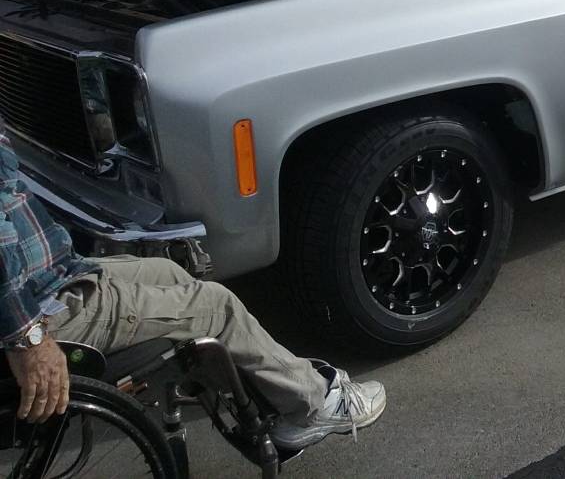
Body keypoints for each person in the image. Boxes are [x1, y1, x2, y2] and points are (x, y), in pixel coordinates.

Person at [0, 117, 385, 449]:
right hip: (42, 308)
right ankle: (312, 408)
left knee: (168, 273)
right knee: (217, 306)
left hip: (55, 276)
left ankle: (262, 404)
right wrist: (29, 340)